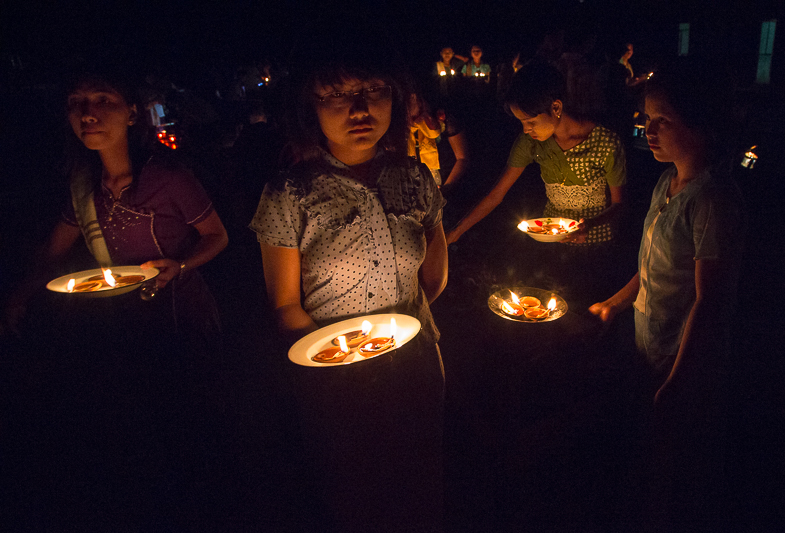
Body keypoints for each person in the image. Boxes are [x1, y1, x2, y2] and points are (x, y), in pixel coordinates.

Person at [2, 67, 229, 528]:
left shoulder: (169, 177)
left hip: (182, 315)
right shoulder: (85, 190)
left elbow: (217, 236)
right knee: (143, 428)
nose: (87, 113)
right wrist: (17, 298)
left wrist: (179, 266)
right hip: (125, 325)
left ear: (131, 114)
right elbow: (54, 250)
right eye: (76, 103)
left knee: (195, 422)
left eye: (102, 99)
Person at [250, 24, 447, 532]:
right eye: (337, 95)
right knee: (354, 485)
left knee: (419, 475)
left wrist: (403, 335)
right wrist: (342, 365)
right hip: (335, 381)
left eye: (373, 91)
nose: (359, 110)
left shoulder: (416, 177)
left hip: (415, 363)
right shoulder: (291, 192)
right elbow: (286, 306)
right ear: (310, 106)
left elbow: (434, 272)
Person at [589, 61, 743, 531]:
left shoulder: (712, 200)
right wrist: (614, 303)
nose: (647, 129)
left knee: (676, 463)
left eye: (663, 120)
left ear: (700, 126)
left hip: (683, 360)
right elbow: (650, 266)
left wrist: (678, 381)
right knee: (646, 447)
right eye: (646, 118)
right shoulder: (664, 183)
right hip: (647, 346)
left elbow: (708, 302)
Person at [446, 60, 626, 301]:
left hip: (596, 249)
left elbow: (619, 204)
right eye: (521, 122)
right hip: (551, 247)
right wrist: (455, 233)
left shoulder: (605, 143)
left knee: (587, 311)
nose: (525, 130)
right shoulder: (531, 142)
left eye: (530, 122)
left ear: (556, 107)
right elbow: (496, 195)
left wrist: (589, 226)